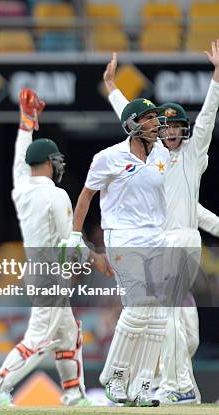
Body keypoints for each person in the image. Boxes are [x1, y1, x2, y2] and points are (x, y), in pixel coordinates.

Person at [102, 41, 219, 404]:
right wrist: (112, 89)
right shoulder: (152, 158)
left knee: (173, 321)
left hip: (182, 243)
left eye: (176, 127)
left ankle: (178, 386)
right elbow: (133, 119)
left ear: (183, 130)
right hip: (157, 244)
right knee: (178, 326)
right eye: (165, 127)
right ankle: (182, 389)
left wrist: (217, 77)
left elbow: (207, 118)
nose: (170, 133)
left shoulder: (192, 155)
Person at [0, 88, 99, 407]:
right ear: (48, 162)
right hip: (51, 274)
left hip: (37, 269)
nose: (59, 166)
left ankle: (73, 393)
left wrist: (27, 121)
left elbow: (20, 156)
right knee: (40, 338)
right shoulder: (56, 196)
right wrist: (91, 258)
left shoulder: (21, 188)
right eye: (57, 161)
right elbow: (67, 243)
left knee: (69, 334)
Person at [65, 94, 171, 406]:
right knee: (139, 307)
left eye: (155, 119)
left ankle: (142, 386)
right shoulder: (108, 157)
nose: (155, 124)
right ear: (132, 125)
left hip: (156, 238)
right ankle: (116, 376)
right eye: (148, 119)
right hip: (122, 237)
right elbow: (86, 197)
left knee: (158, 315)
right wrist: (74, 236)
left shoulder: (162, 153)